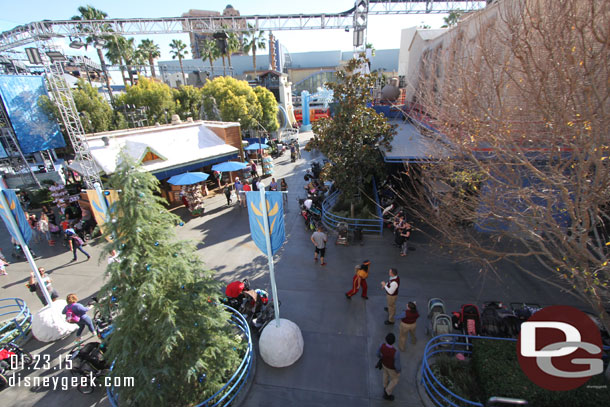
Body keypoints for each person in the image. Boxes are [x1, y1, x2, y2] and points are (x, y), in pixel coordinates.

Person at [377, 333, 401, 401]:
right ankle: (388, 392)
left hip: (384, 364)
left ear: (386, 339)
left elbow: (377, 354)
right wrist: (398, 371)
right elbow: (397, 365)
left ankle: (385, 386)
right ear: (394, 341)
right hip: (392, 368)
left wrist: (381, 357)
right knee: (395, 380)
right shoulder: (395, 352)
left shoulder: (382, 345)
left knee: (385, 374)